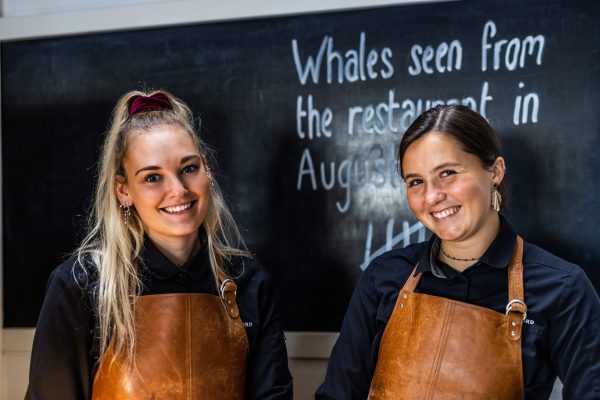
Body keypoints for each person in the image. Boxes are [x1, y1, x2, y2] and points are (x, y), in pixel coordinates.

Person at [316, 105, 600, 399]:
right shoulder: (383, 277)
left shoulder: (564, 288)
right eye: (416, 182)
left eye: (448, 173)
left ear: (495, 172)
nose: (431, 196)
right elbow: (338, 394)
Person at [26, 90, 293, 399]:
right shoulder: (82, 286)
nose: (178, 190)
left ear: (207, 170)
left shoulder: (249, 282)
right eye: (153, 177)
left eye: (189, 168)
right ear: (123, 190)